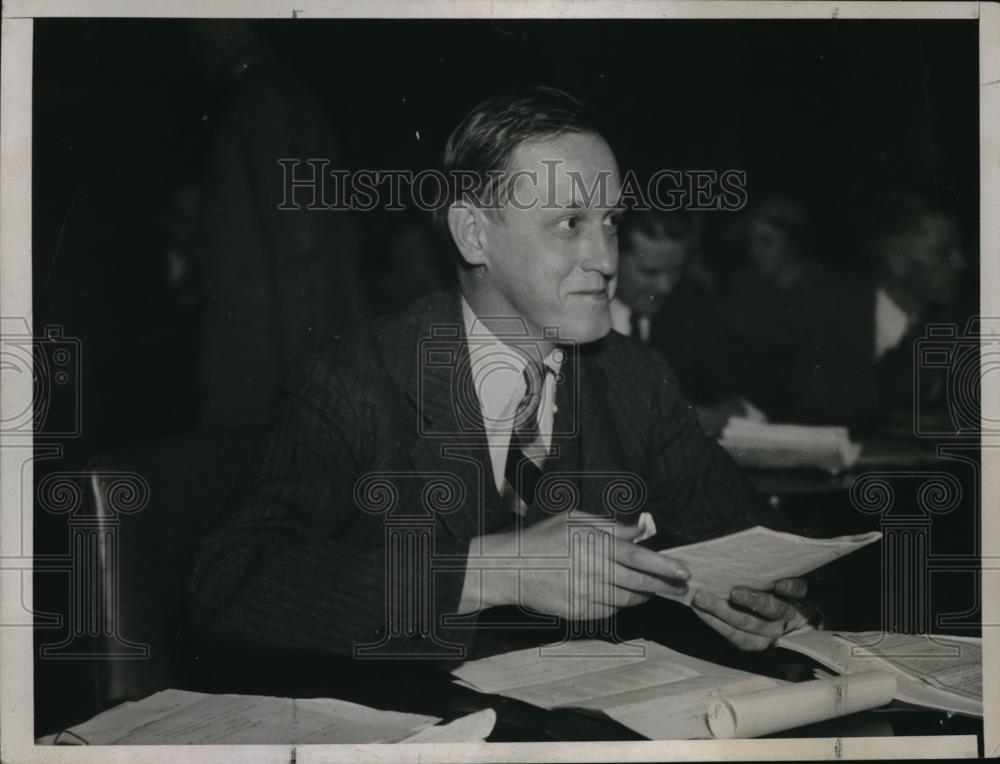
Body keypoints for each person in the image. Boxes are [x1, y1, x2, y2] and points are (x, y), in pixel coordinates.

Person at [187, 87, 813, 664]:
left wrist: (773, 605)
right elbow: (231, 584)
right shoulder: (354, 378)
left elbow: (754, 543)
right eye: (571, 223)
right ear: (473, 235)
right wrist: (492, 568)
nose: (604, 258)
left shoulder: (637, 378)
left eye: (611, 222)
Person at [767, 192, 970, 429]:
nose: (960, 262)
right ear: (894, 256)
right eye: (943, 251)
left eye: (959, 249)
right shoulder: (823, 310)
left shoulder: (960, 323)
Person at [609, 209, 760, 435]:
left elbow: (753, 400)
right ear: (608, 258)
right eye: (650, 272)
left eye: (676, 270)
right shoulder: (567, 318)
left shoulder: (691, 309)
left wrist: (713, 414)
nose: (666, 287)